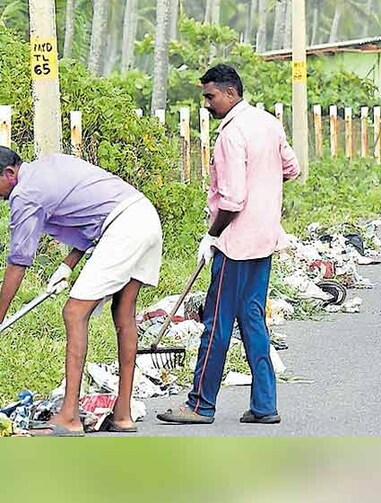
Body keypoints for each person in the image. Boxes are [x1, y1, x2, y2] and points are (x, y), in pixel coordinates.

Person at [157, 64, 300, 425]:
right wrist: (263, 178)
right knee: (253, 320)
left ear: (230, 93)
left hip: (235, 244)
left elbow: (233, 199)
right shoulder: (267, 122)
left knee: (216, 324)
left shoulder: (231, 135)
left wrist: (213, 234)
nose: (206, 104)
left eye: (210, 96)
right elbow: (291, 168)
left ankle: (200, 405)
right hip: (264, 238)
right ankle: (265, 405)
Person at [0, 147, 163, 436]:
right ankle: (123, 414)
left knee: (74, 313)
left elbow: (18, 262)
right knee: (124, 313)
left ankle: (69, 416)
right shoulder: (52, 164)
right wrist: (67, 265)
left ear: (9, 174)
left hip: (123, 227)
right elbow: (93, 219)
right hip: (145, 216)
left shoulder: (24, 194)